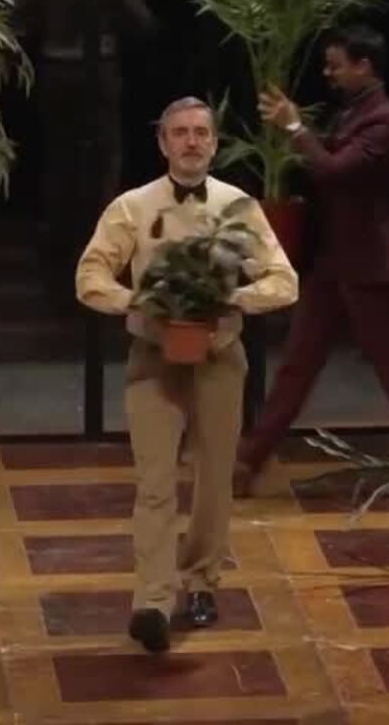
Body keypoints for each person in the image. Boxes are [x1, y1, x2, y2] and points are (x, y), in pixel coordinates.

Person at [75, 97, 297, 654]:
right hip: (154, 361)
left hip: (219, 360)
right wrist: (136, 301)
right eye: (180, 132)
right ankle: (151, 601)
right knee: (154, 485)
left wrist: (234, 298)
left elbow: (284, 280)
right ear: (163, 143)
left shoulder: (237, 206)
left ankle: (201, 582)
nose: (191, 141)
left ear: (215, 143)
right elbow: (90, 275)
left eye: (201, 132)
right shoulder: (132, 206)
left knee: (213, 481)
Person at [234, 24, 389, 498]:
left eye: (336, 65)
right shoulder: (356, 110)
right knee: (298, 364)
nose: (328, 73)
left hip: (366, 265)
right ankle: (247, 462)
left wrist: (294, 128)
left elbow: (334, 170)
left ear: (364, 66)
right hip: (333, 262)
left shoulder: (384, 122)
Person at [11, 0, 157, 305]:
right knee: (105, 159)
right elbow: (141, 20)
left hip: (56, 66)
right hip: (100, 68)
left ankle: (61, 248)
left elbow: (15, 23)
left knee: (59, 158)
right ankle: (104, 244)